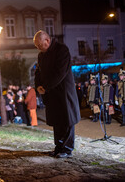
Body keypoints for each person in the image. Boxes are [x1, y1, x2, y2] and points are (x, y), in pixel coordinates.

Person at [34, 30, 81, 158]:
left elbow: (59, 73)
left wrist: (45, 86)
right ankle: (59, 147)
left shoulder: (62, 50)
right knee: (57, 121)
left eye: (39, 45)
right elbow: (38, 72)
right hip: (51, 93)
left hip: (64, 92)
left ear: (47, 41)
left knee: (67, 120)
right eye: (37, 46)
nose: (38, 48)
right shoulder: (41, 55)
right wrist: (38, 86)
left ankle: (67, 149)